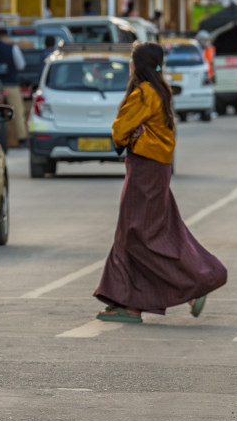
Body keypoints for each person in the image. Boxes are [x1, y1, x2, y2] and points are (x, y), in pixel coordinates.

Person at [94, 43, 227, 323]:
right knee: (136, 233)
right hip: (155, 168)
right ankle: (128, 304)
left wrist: (126, 138)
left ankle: (195, 283)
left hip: (145, 170)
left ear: (136, 65)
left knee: (138, 236)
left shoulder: (143, 93)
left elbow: (119, 129)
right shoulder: (161, 90)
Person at [0, 28, 28, 147]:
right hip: (12, 85)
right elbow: (21, 65)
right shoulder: (13, 48)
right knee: (18, 113)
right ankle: (22, 139)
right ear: (5, 36)